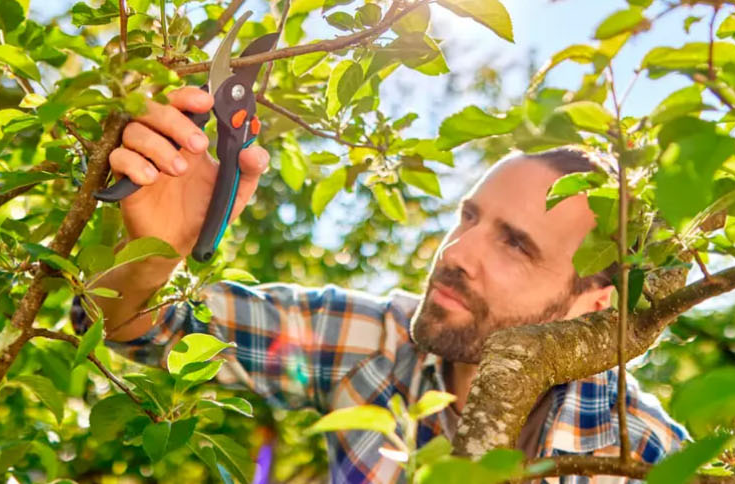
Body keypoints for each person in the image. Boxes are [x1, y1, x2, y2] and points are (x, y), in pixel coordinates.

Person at [74, 86, 688, 483]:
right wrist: (159, 250)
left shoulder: (647, 453)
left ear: (593, 304)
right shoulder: (373, 344)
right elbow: (139, 327)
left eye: (516, 245)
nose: (456, 253)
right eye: (468, 217)